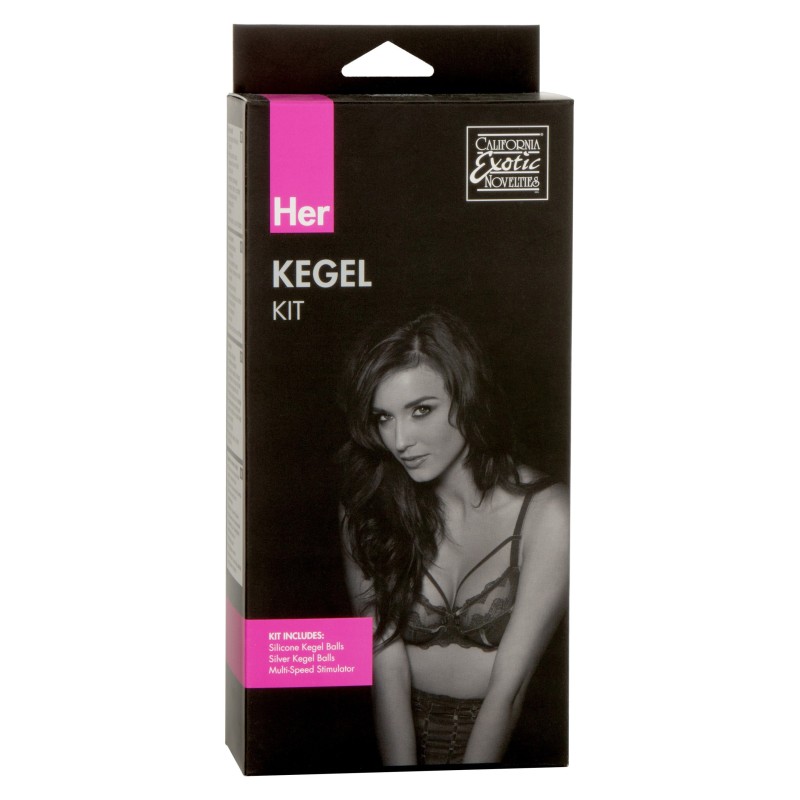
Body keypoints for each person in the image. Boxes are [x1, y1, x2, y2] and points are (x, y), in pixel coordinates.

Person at [338, 310, 569, 766]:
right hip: (393, 746)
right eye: (383, 417)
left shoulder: (549, 515)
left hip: (497, 749)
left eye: (421, 410)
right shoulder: (368, 506)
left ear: (466, 398)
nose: (399, 440)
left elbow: (510, 690)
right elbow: (385, 669)